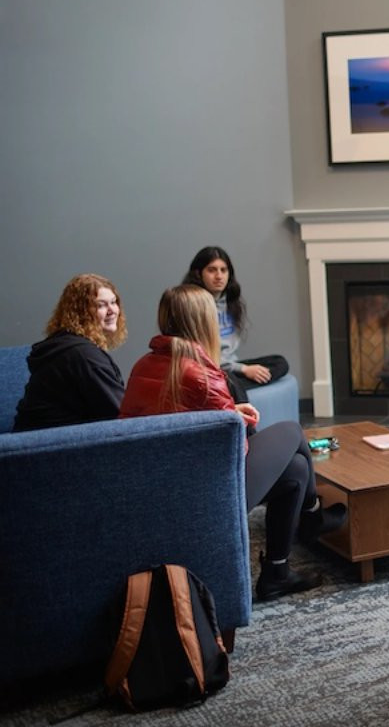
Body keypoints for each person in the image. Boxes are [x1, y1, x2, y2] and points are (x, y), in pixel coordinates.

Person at [120, 285, 346, 602]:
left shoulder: (144, 365)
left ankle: (277, 574)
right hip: (207, 494)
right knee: (292, 432)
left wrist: (230, 414)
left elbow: (183, 421)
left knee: (296, 470)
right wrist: (237, 421)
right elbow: (236, 447)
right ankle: (313, 514)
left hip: (163, 488)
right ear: (202, 322)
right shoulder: (200, 374)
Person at [14, 274, 127, 431]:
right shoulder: (84, 356)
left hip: (34, 439)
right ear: (81, 313)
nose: (112, 311)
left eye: (114, 303)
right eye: (101, 305)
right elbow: (121, 414)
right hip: (55, 446)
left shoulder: (64, 344)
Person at [183, 246, 289, 403]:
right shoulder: (192, 305)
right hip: (208, 370)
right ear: (199, 274)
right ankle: (239, 406)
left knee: (280, 363)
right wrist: (244, 370)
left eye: (223, 270)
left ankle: (230, 386)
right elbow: (202, 356)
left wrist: (241, 369)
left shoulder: (231, 303)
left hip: (230, 367)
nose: (219, 276)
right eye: (212, 270)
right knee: (230, 381)